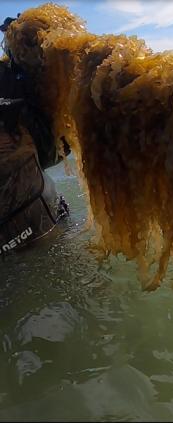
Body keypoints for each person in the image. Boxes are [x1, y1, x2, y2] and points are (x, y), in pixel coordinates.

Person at [0, 15, 69, 256]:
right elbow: (56, 151)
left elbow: (55, 150)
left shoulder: (19, 81)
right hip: (36, 213)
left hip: (36, 210)